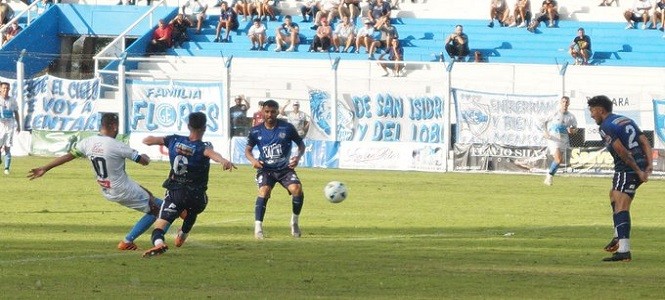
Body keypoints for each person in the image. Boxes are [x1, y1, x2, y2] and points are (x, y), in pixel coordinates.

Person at [27, 113, 163, 251]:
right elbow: (143, 162)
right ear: (115, 126)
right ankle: (138, 241)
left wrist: (45, 168)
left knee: (159, 204)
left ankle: (155, 238)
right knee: (161, 209)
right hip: (123, 189)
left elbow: (69, 156)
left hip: (107, 190)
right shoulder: (117, 145)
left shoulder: (88, 142)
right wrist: (146, 157)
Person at [142, 112, 236, 257]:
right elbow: (214, 155)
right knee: (192, 210)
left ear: (188, 126)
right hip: (197, 196)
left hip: (175, 193)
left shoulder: (174, 140)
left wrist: (158, 140)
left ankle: (159, 243)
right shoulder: (203, 147)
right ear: (204, 128)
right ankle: (183, 234)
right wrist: (224, 161)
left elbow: (147, 141)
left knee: (159, 227)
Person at [587, 95, 653, 262]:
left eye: (592, 111)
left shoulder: (605, 126)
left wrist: (638, 171)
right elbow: (645, 141)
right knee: (614, 196)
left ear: (600, 110)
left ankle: (624, 250)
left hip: (627, 169)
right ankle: (618, 235)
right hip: (637, 164)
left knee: (621, 206)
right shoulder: (625, 120)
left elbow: (622, 152)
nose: (591, 115)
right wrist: (649, 164)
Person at [245, 100, 306, 239]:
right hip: (265, 169)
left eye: (273, 112)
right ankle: (258, 227)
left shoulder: (287, 128)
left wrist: (297, 156)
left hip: (285, 169)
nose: (270, 114)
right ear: (262, 112)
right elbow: (248, 150)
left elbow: (301, 145)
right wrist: (253, 160)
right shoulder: (255, 130)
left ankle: (294, 222)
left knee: (297, 189)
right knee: (264, 191)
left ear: (278, 112)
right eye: (267, 111)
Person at [542, 96, 577, 186]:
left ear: (569, 104)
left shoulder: (571, 116)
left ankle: (549, 176)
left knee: (559, 160)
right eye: (563, 102)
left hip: (564, 139)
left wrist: (573, 130)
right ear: (560, 103)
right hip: (553, 138)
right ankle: (549, 177)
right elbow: (544, 122)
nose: (565, 103)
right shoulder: (554, 113)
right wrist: (545, 132)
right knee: (558, 159)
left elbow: (575, 128)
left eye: (566, 102)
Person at [0, 82, 19, 174]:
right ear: (0, 89)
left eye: (7, 88)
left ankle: (6, 168)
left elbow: (16, 112)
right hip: (0, 125)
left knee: (8, 147)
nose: (5, 90)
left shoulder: (12, 100)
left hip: (10, 126)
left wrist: (18, 125)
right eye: (4, 88)